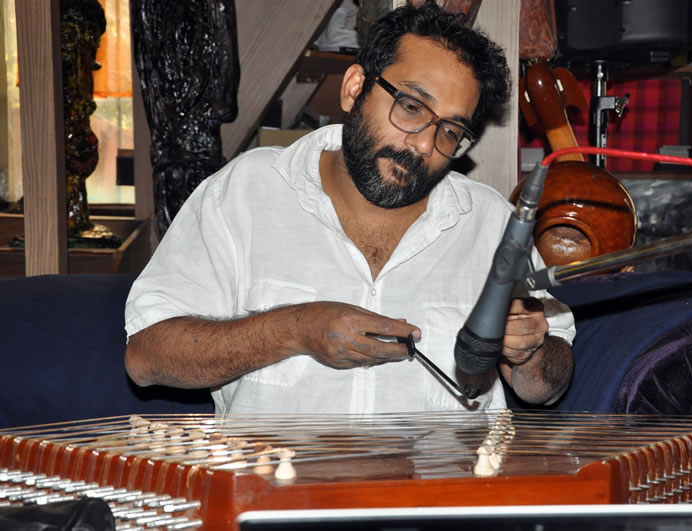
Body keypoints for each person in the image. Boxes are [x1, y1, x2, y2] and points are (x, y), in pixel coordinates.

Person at [124, 2, 575, 416]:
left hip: (446, 479)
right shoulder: (245, 192)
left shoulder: (491, 222)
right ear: (354, 87)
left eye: (450, 131)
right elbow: (147, 358)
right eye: (411, 106)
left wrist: (531, 352)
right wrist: (295, 329)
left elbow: (545, 389)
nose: (424, 144)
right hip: (277, 477)